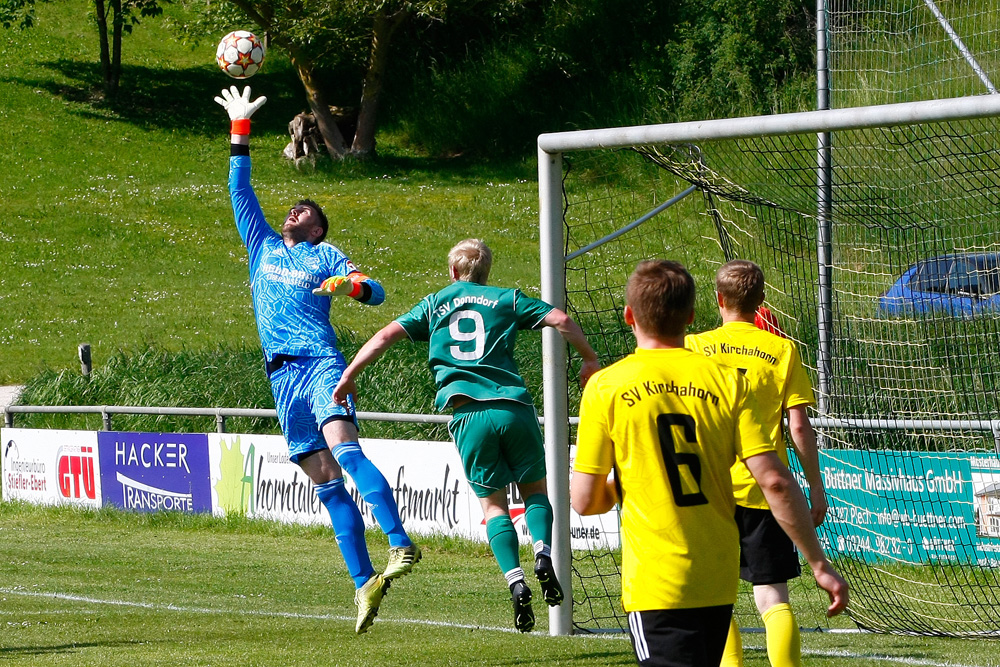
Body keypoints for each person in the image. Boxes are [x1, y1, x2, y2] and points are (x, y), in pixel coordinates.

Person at [214, 86, 420, 635]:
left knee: (346, 454)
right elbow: (240, 189)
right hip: (281, 377)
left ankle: (400, 543)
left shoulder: (322, 254)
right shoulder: (261, 247)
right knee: (324, 482)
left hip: (322, 363)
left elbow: (374, 290)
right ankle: (364, 583)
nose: (294, 209)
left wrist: (350, 287)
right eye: (293, 206)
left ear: (318, 228)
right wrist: (240, 129)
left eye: (305, 209)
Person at [570, 260, 846, 667]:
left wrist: (631, 476)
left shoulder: (607, 386)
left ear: (629, 316)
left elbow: (585, 501)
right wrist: (819, 563)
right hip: (718, 573)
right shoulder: (729, 380)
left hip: (658, 580)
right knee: (772, 596)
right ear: (691, 316)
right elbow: (777, 479)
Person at [332, 238, 601, 632]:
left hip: (467, 413)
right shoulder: (505, 298)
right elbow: (560, 320)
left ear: (453, 272)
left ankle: (516, 581)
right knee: (536, 493)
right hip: (513, 408)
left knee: (493, 507)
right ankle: (542, 553)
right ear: (485, 272)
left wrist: (348, 376)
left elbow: (384, 337)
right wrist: (589, 358)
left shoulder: (434, 303)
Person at [685, 259, 827, 667]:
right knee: (772, 596)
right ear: (761, 301)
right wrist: (814, 485)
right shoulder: (782, 349)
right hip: (764, 489)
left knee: (717, 596)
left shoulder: (694, 346)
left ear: (718, 300)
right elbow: (798, 427)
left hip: (709, 487)